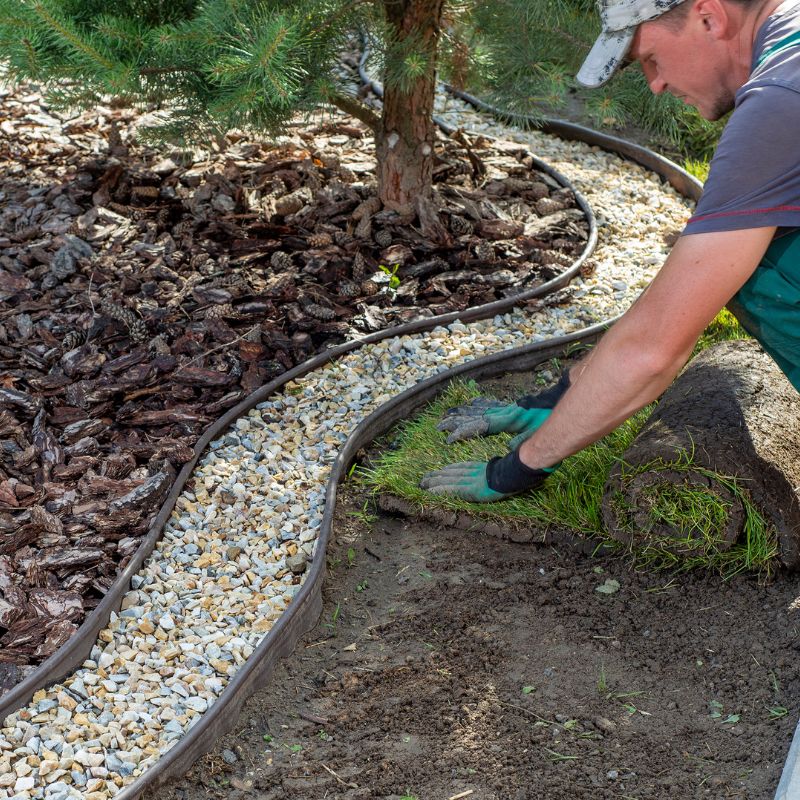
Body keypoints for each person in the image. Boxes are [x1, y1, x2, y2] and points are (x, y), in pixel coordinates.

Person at [421, 0, 800, 502]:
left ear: (709, 17)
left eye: (650, 59)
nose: (655, 85)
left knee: (758, 268)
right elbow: (678, 292)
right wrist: (566, 392)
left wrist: (520, 466)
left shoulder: (778, 107)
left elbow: (654, 348)